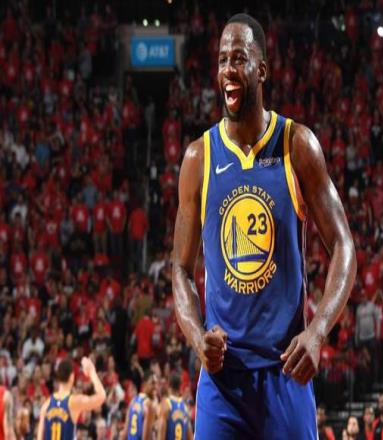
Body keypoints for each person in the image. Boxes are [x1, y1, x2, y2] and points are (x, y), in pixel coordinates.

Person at [172, 12, 356, 439]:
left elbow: (344, 246)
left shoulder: (297, 145)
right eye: (222, 60)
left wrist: (318, 331)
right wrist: (197, 337)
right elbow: (179, 267)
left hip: (285, 370)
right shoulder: (198, 158)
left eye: (239, 58)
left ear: (263, 70)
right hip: (224, 379)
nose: (228, 70)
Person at [36, 357, 106, 440]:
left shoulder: (46, 405)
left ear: (58, 377)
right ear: (72, 377)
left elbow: (39, 437)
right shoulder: (73, 402)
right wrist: (92, 372)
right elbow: (102, 396)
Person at [121, 371, 157, 440]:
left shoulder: (133, 401)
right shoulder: (148, 405)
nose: (155, 387)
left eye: (156, 383)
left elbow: (124, 433)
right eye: (152, 383)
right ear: (144, 384)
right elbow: (146, 438)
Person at [158, 373, 193, 440]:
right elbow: (190, 437)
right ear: (180, 386)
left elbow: (160, 436)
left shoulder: (166, 404)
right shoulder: (185, 407)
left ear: (168, 385)